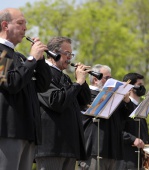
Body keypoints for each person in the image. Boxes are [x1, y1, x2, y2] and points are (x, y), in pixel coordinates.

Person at [0, 8, 51, 170]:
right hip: (8, 131)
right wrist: (32, 59)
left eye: (25, 24)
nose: (25, 28)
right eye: (20, 23)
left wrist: (40, 60)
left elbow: (42, 85)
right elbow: (11, 83)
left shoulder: (19, 57)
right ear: (5, 25)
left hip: (27, 130)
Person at [34, 36, 91, 170]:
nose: (70, 58)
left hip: (69, 146)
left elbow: (85, 101)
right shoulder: (43, 73)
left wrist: (81, 82)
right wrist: (77, 84)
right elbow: (56, 101)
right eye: (67, 54)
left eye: (71, 54)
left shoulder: (65, 77)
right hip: (51, 146)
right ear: (53, 53)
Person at [78, 64, 135, 170]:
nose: (111, 81)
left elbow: (129, 117)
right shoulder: (86, 94)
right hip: (95, 149)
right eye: (107, 78)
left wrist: (127, 100)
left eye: (111, 78)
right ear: (95, 79)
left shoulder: (114, 96)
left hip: (113, 149)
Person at [119, 73, 149, 170]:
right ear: (130, 88)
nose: (142, 87)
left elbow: (136, 131)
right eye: (139, 84)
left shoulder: (141, 108)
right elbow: (117, 131)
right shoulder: (122, 106)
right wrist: (133, 139)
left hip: (141, 160)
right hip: (127, 161)